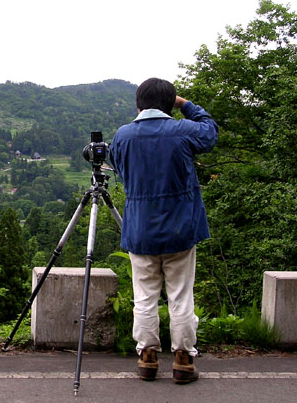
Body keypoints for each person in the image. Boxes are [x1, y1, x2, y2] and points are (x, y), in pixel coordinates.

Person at [109, 78, 218, 384]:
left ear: (138, 103)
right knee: (181, 296)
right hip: (181, 228)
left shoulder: (124, 136)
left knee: (144, 297)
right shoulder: (183, 131)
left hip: (140, 229)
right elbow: (210, 131)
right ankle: (183, 359)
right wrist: (187, 105)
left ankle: (147, 357)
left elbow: (119, 168)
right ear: (171, 104)